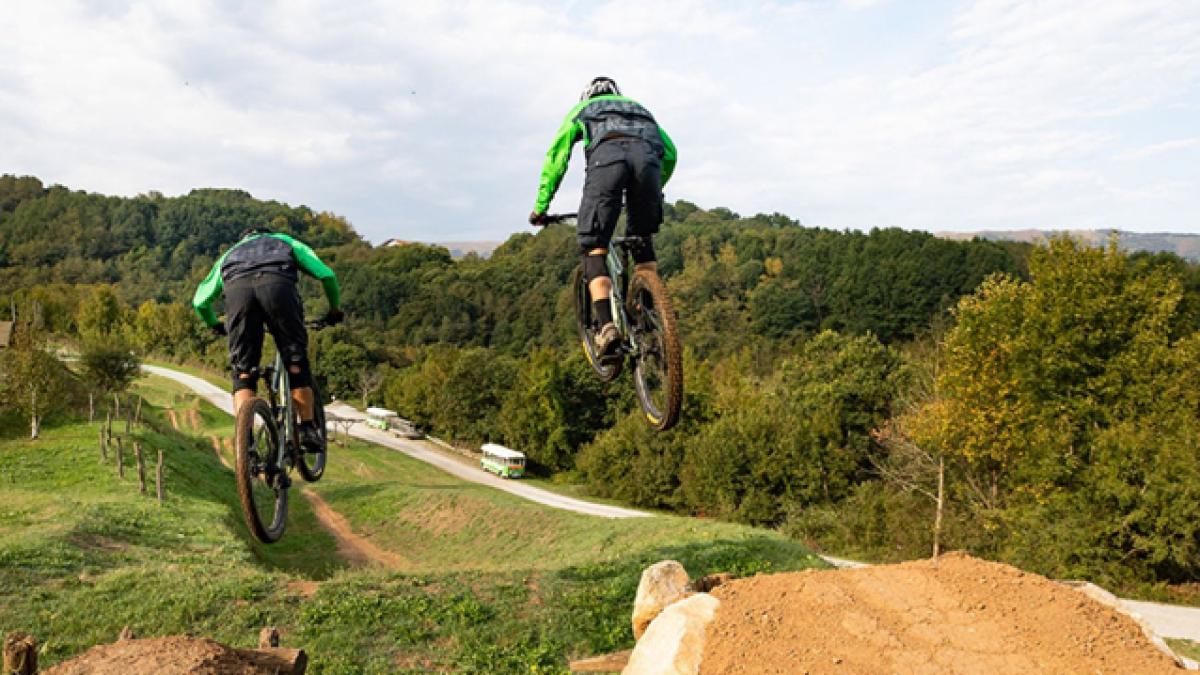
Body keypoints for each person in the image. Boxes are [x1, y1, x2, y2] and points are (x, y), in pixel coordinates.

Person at [530, 76, 677, 357]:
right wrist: (653, 189)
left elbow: (556, 158)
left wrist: (541, 207)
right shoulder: (639, 109)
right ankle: (646, 315)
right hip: (647, 165)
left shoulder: (583, 109)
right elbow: (669, 153)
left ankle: (606, 327)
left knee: (594, 246)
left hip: (607, 162)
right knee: (641, 241)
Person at [192, 226, 343, 451]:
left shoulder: (230, 253)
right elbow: (327, 275)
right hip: (278, 288)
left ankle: (246, 440)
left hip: (238, 292)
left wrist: (215, 325)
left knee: (243, 372)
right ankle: (309, 429)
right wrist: (334, 310)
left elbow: (199, 302)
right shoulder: (285, 241)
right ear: (267, 234)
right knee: (295, 361)